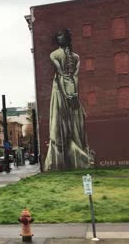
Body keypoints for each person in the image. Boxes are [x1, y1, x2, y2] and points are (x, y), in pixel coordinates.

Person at [44, 29, 94, 171]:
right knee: (70, 119)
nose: (61, 39)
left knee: (64, 120)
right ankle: (72, 150)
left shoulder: (56, 55)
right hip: (67, 91)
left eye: (61, 37)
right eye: (59, 36)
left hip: (64, 92)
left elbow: (63, 76)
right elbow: (69, 76)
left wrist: (69, 95)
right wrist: (72, 94)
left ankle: (72, 153)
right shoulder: (72, 56)